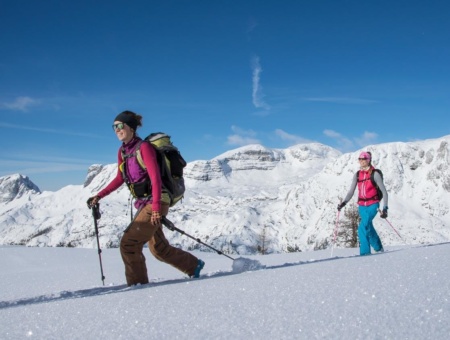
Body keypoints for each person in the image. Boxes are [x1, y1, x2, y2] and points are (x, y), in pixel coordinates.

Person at [87, 110, 204, 286]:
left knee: (129, 245)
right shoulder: (123, 152)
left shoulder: (144, 148)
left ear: (131, 128)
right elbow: (120, 178)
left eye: (120, 126)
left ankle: (138, 287)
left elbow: (156, 178)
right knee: (158, 248)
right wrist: (99, 195)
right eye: (114, 127)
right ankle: (193, 266)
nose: (117, 130)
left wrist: (156, 208)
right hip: (144, 204)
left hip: (156, 202)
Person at [337, 151, 388, 255]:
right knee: (368, 226)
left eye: (364, 158)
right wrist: (344, 203)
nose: (361, 161)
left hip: (373, 204)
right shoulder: (357, 175)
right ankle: (378, 248)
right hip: (361, 206)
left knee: (362, 228)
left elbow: (384, 192)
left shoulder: (375, 174)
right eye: (360, 159)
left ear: (368, 160)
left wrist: (385, 209)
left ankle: (365, 255)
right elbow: (351, 191)